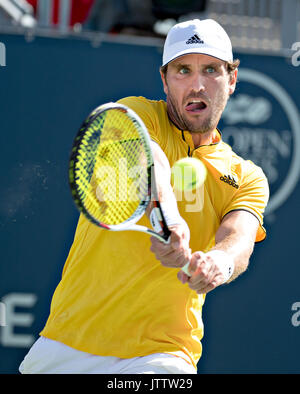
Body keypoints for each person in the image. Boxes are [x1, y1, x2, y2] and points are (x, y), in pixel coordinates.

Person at [19, 19, 269, 374]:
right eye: (183, 70)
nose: (197, 84)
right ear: (165, 80)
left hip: (163, 355)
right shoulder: (132, 114)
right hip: (66, 344)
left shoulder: (247, 177)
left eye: (211, 70)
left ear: (231, 80)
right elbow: (149, 161)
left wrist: (219, 263)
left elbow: (239, 236)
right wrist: (169, 220)